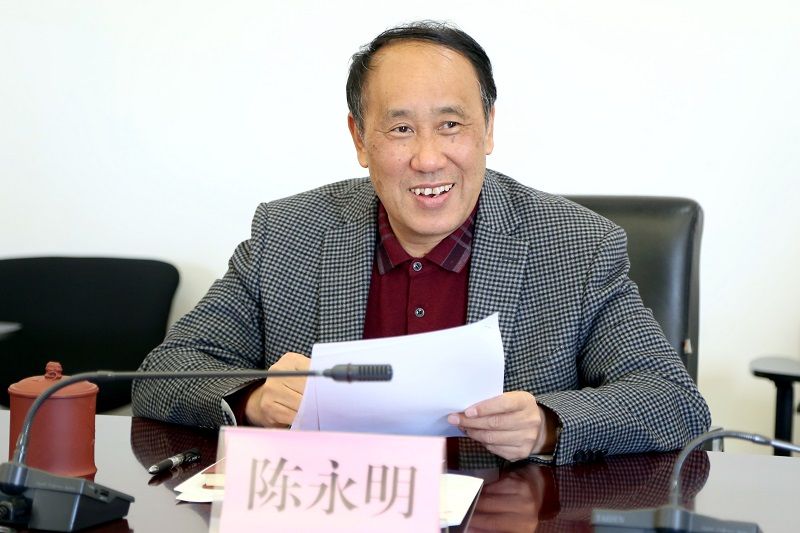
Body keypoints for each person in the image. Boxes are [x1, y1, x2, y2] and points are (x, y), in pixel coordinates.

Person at [132, 20, 710, 466]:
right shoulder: (289, 234)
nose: (428, 158)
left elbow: (673, 401)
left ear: (489, 127)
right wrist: (253, 398)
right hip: (335, 510)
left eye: (451, 125)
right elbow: (166, 372)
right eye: (401, 128)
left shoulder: (577, 246)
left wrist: (548, 424)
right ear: (360, 138)